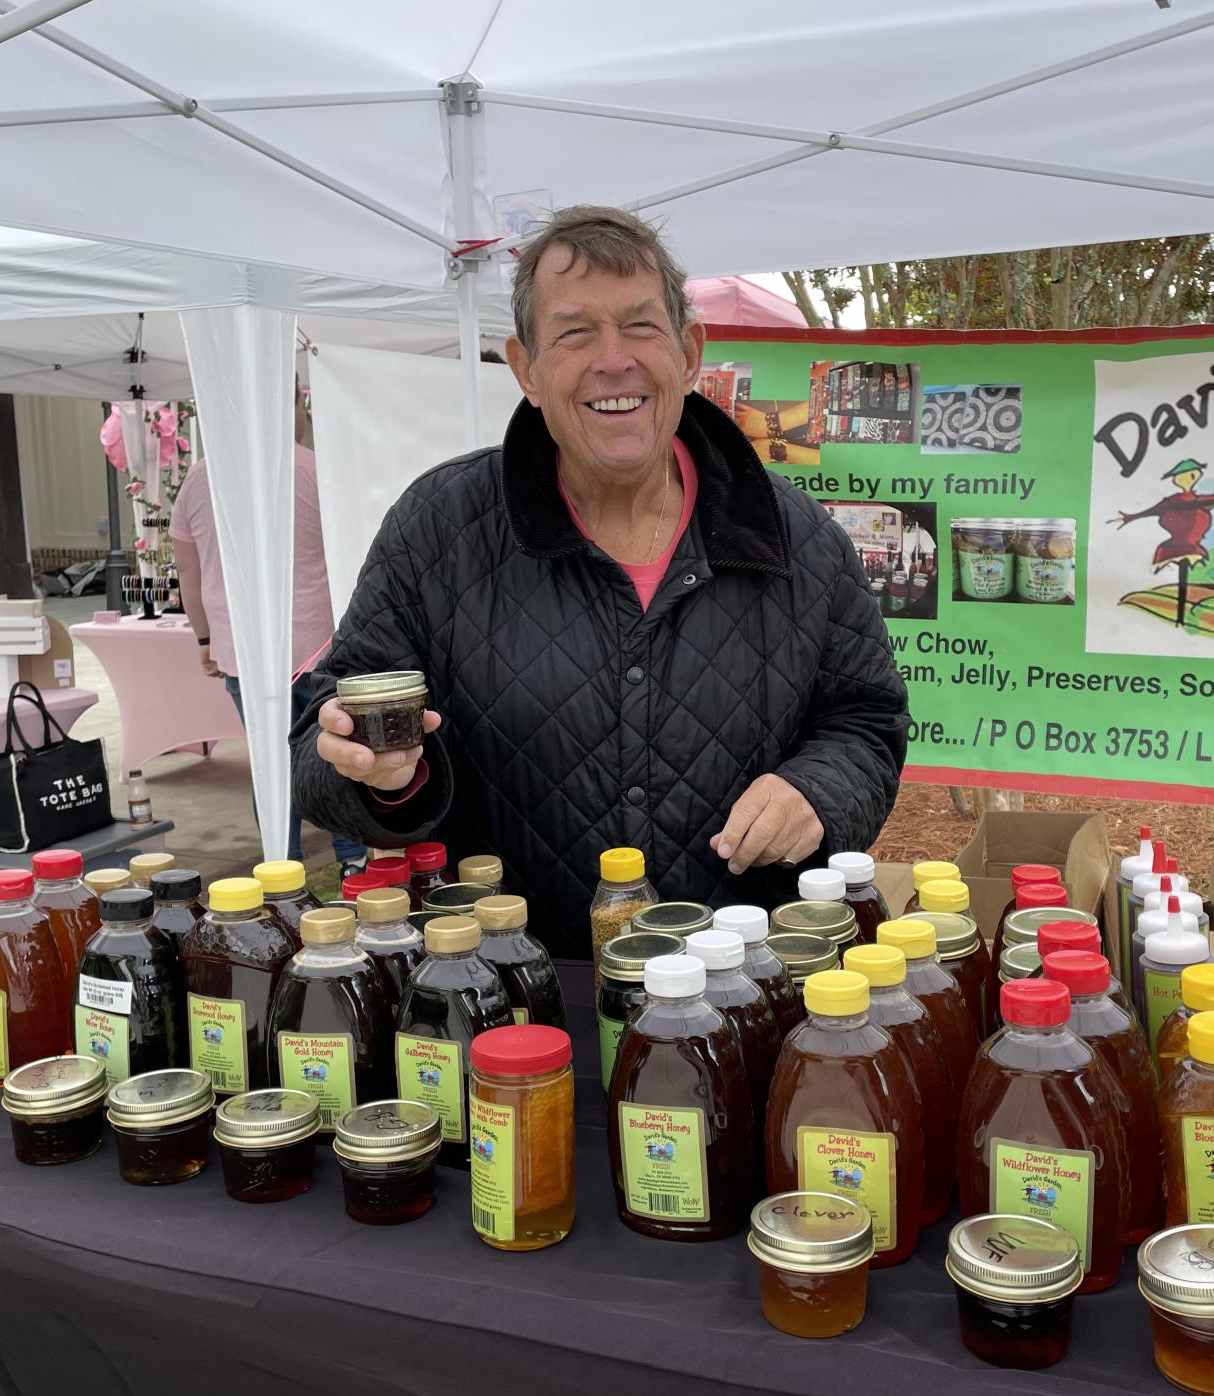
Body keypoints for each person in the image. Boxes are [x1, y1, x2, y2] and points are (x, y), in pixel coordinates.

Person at [290, 205, 908, 956]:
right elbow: (325, 730)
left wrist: (820, 790)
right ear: (527, 369)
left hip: (747, 988)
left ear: (688, 352)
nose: (613, 360)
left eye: (641, 327)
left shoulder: (799, 540)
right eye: (575, 333)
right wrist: (379, 774)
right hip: (514, 995)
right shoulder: (440, 529)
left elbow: (867, 723)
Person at [171, 393, 365, 870]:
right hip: (319, 644)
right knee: (336, 752)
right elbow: (352, 557)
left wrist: (203, 639)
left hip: (241, 649)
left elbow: (187, 571)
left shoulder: (198, 478)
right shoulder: (316, 470)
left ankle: (285, 869)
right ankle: (354, 861)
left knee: (269, 765)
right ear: (293, 404)